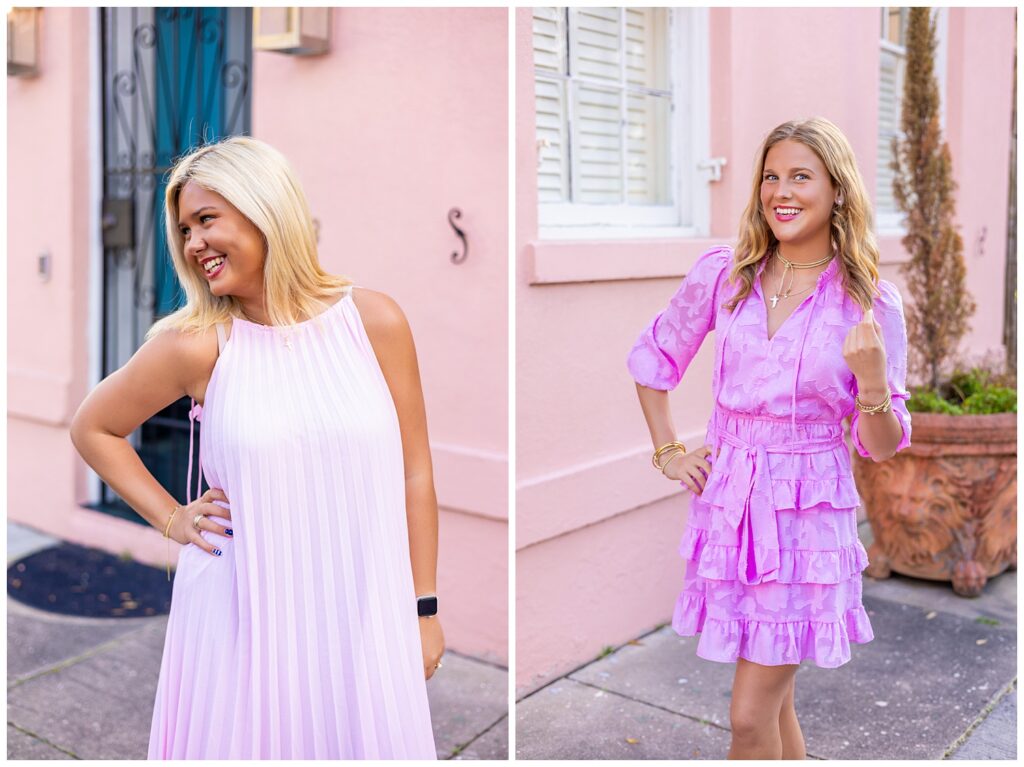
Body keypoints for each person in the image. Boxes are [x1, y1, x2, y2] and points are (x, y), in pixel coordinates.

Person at [70, 136, 442, 759]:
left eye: (206, 219)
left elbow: (415, 475)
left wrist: (423, 609)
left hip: (360, 613)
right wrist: (173, 517)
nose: (192, 245)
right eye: (184, 229)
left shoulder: (375, 321)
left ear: (265, 208)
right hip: (241, 616)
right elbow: (94, 428)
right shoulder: (196, 344)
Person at [627, 117, 911, 760]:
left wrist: (870, 382)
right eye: (771, 176)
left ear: (838, 190)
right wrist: (670, 451)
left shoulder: (868, 302)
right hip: (732, 508)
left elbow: (884, 443)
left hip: (808, 517)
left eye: (801, 177)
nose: (781, 191)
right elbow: (653, 358)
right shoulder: (725, 275)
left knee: (748, 719)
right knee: (773, 711)